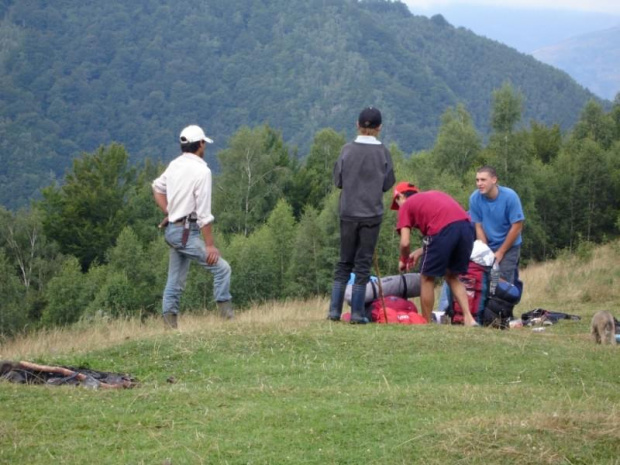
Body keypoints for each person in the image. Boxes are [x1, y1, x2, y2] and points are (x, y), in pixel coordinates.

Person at [152, 125, 233, 329]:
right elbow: (204, 214)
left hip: (173, 230)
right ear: (201, 144)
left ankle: (170, 326)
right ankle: (227, 320)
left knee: (175, 280)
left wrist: (169, 212)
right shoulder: (202, 171)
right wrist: (210, 246)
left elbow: (157, 187)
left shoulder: (175, 165)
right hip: (187, 232)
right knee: (222, 269)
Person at [327, 107, 395, 324]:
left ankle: (334, 312)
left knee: (344, 262)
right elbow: (388, 183)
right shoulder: (383, 152)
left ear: (357, 125)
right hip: (371, 214)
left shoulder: (347, 150)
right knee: (362, 264)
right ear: (379, 128)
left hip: (348, 212)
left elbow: (338, 181)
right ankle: (357, 314)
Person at [392, 182, 478, 326]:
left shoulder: (406, 206)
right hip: (466, 228)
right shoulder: (433, 195)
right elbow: (446, 228)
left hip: (444, 231)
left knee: (426, 277)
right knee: (452, 275)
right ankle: (469, 318)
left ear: (400, 196)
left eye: (396, 203)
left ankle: (426, 322)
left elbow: (405, 242)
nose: (398, 208)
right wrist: (419, 252)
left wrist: (403, 259)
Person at [469, 166, 524, 284]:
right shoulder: (474, 198)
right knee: (483, 279)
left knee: (500, 283)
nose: (479, 183)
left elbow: (517, 227)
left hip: (510, 246)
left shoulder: (510, 196)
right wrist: (486, 252)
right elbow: (478, 226)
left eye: (483, 180)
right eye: (477, 180)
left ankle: (508, 295)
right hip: (489, 245)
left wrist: (501, 252)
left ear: (494, 180)